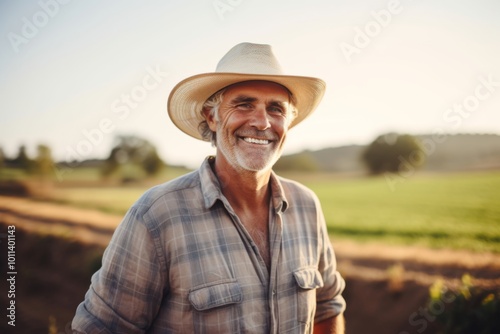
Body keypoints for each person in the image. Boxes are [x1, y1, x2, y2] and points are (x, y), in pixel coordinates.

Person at [72, 42, 346, 333]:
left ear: (287, 123)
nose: (262, 122)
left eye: (276, 109)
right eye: (244, 104)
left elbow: (327, 308)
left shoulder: (307, 205)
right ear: (212, 116)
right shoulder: (157, 215)